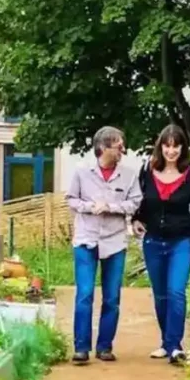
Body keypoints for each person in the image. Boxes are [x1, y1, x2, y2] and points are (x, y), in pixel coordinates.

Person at [65, 126, 142, 365]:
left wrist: (110, 206)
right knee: (85, 293)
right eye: (119, 146)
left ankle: (105, 346)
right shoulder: (81, 172)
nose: (123, 150)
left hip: (114, 241)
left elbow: (135, 203)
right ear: (104, 147)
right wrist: (90, 206)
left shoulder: (129, 175)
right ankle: (81, 348)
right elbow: (71, 199)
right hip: (86, 239)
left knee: (111, 297)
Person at [132, 124, 190, 365]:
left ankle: (175, 346)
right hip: (153, 241)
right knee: (161, 295)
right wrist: (135, 220)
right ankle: (167, 343)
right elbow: (140, 203)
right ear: (160, 146)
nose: (171, 151)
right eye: (167, 145)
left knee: (176, 291)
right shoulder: (148, 171)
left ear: (183, 148)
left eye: (176, 146)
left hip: (181, 242)